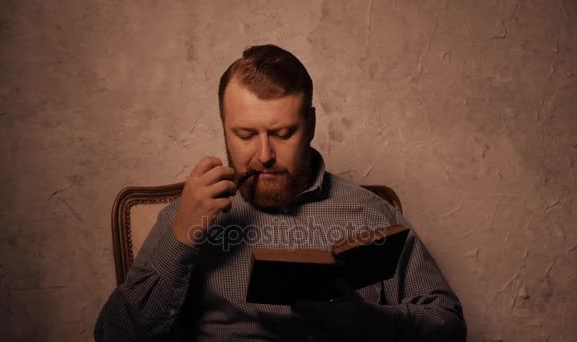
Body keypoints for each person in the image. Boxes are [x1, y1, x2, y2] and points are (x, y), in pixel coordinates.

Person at [95, 44, 467, 341]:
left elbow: (448, 323)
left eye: (283, 133)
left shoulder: (372, 213)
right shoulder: (186, 216)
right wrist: (181, 237)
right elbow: (114, 336)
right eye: (244, 135)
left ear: (310, 126)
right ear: (225, 129)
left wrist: (371, 322)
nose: (264, 156)